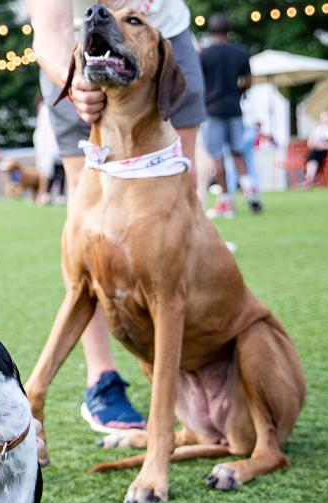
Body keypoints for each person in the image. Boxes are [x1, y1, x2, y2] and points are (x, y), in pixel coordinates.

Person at [28, 0, 208, 432]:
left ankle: (197, 368)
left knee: (177, 217)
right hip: (74, 53)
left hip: (165, 37)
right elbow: (49, 30)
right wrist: (74, 85)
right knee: (89, 228)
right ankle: (102, 379)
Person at [200, 13, 263, 217]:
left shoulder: (204, 54)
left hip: (212, 109)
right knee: (237, 152)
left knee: (217, 156)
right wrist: (239, 93)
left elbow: (199, 84)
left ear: (210, 31)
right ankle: (250, 189)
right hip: (234, 107)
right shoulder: (241, 52)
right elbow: (248, 81)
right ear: (229, 30)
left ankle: (226, 201)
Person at [301, 111, 328, 188]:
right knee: (313, 155)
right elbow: (310, 143)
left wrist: (326, 145)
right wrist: (318, 144)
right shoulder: (319, 128)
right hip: (321, 152)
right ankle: (310, 177)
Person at [33, 93, 61, 205]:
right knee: (45, 172)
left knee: (52, 172)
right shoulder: (45, 110)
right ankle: (43, 194)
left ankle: (49, 195)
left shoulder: (48, 109)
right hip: (48, 146)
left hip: (54, 147)